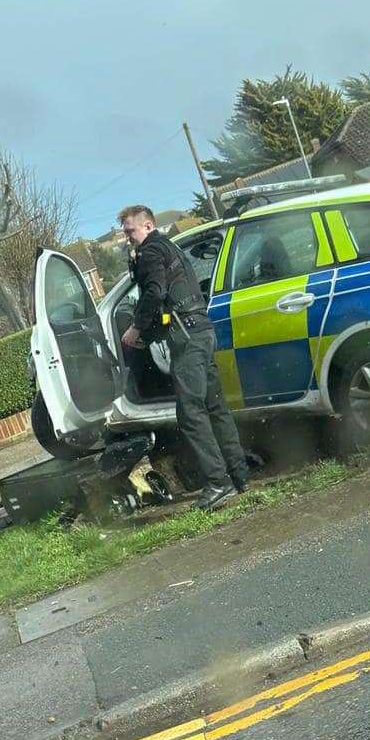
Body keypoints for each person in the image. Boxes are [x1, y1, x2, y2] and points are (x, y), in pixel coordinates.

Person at [117, 205, 248, 511]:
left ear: (148, 226)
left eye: (130, 231)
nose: (127, 238)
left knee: (191, 414)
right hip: (201, 330)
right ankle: (239, 475)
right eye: (125, 233)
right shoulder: (169, 247)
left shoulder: (150, 252)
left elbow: (154, 293)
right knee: (215, 407)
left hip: (186, 339)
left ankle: (218, 483)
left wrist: (136, 329)